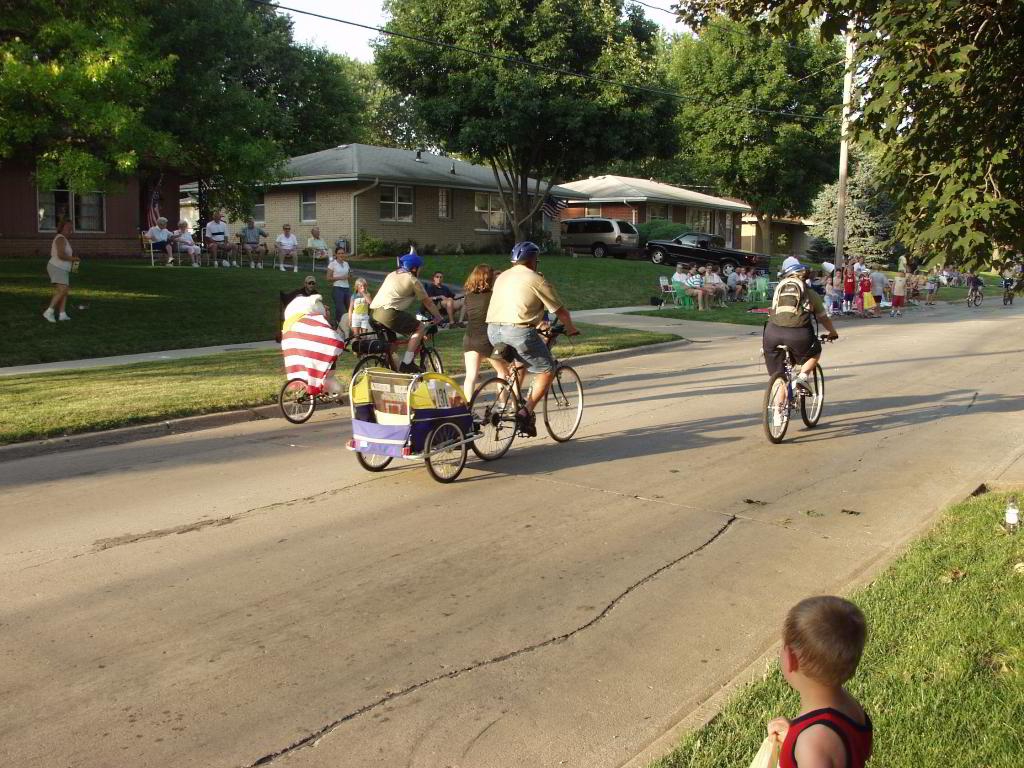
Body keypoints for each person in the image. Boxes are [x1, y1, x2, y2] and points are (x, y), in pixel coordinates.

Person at [766, 596, 872, 768]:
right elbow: (859, 751)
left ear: (791, 659)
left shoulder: (811, 744)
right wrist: (793, 736)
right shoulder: (850, 707)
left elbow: (821, 745)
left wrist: (802, 743)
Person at [486, 241, 579, 437]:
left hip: (493, 331)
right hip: (518, 332)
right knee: (547, 369)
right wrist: (571, 329)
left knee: (520, 363)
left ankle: (511, 403)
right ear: (533, 260)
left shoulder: (501, 277)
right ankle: (525, 411)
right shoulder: (536, 279)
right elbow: (561, 311)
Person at [762, 262, 839, 410]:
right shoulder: (810, 293)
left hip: (772, 333)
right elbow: (822, 317)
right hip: (798, 334)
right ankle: (802, 378)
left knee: (779, 375)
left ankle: (778, 412)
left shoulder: (780, 290)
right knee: (815, 351)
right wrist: (832, 332)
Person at [370, 251, 444, 373]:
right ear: (414, 268)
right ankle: (407, 363)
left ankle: (392, 371)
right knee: (419, 328)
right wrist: (439, 317)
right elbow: (428, 303)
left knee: (392, 346)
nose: (420, 271)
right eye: (419, 268)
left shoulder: (391, 274)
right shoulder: (412, 280)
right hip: (389, 314)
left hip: (374, 314)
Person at [461, 264, 511, 400]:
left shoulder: (469, 296)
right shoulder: (493, 296)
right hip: (486, 339)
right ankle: (502, 404)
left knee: (470, 376)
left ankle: (467, 407)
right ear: (489, 278)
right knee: (503, 372)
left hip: (469, 338)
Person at [43, 217, 78, 322]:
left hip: (62, 268)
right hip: (56, 267)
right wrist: (74, 259)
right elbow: (61, 255)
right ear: (62, 228)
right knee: (62, 290)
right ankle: (49, 312)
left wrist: (74, 262)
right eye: (68, 228)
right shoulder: (60, 238)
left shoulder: (64, 239)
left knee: (64, 291)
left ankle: (62, 314)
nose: (70, 230)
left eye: (71, 228)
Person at [326, 246, 351, 327]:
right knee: (340, 309)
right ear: (336, 254)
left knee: (350, 307)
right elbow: (328, 278)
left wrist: (350, 276)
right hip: (337, 288)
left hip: (347, 288)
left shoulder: (346, 264)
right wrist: (340, 277)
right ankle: (338, 325)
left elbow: (349, 275)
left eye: (342, 253)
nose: (341, 255)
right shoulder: (332, 264)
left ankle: (349, 325)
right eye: (339, 253)